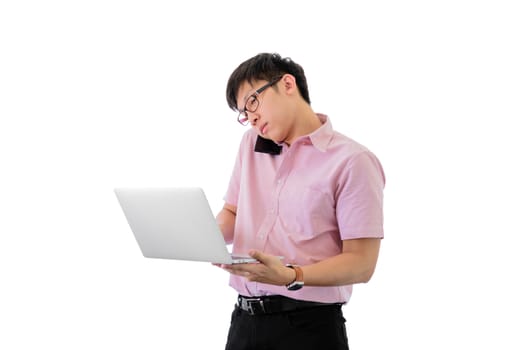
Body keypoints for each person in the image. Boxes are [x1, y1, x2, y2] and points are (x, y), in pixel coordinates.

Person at [216, 52, 385, 350]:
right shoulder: (249, 145)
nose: (251, 117)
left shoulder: (353, 161)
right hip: (243, 323)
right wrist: (205, 238)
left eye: (252, 101)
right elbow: (233, 211)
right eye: (244, 113)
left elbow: (362, 263)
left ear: (288, 84)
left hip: (308, 328)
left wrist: (292, 276)